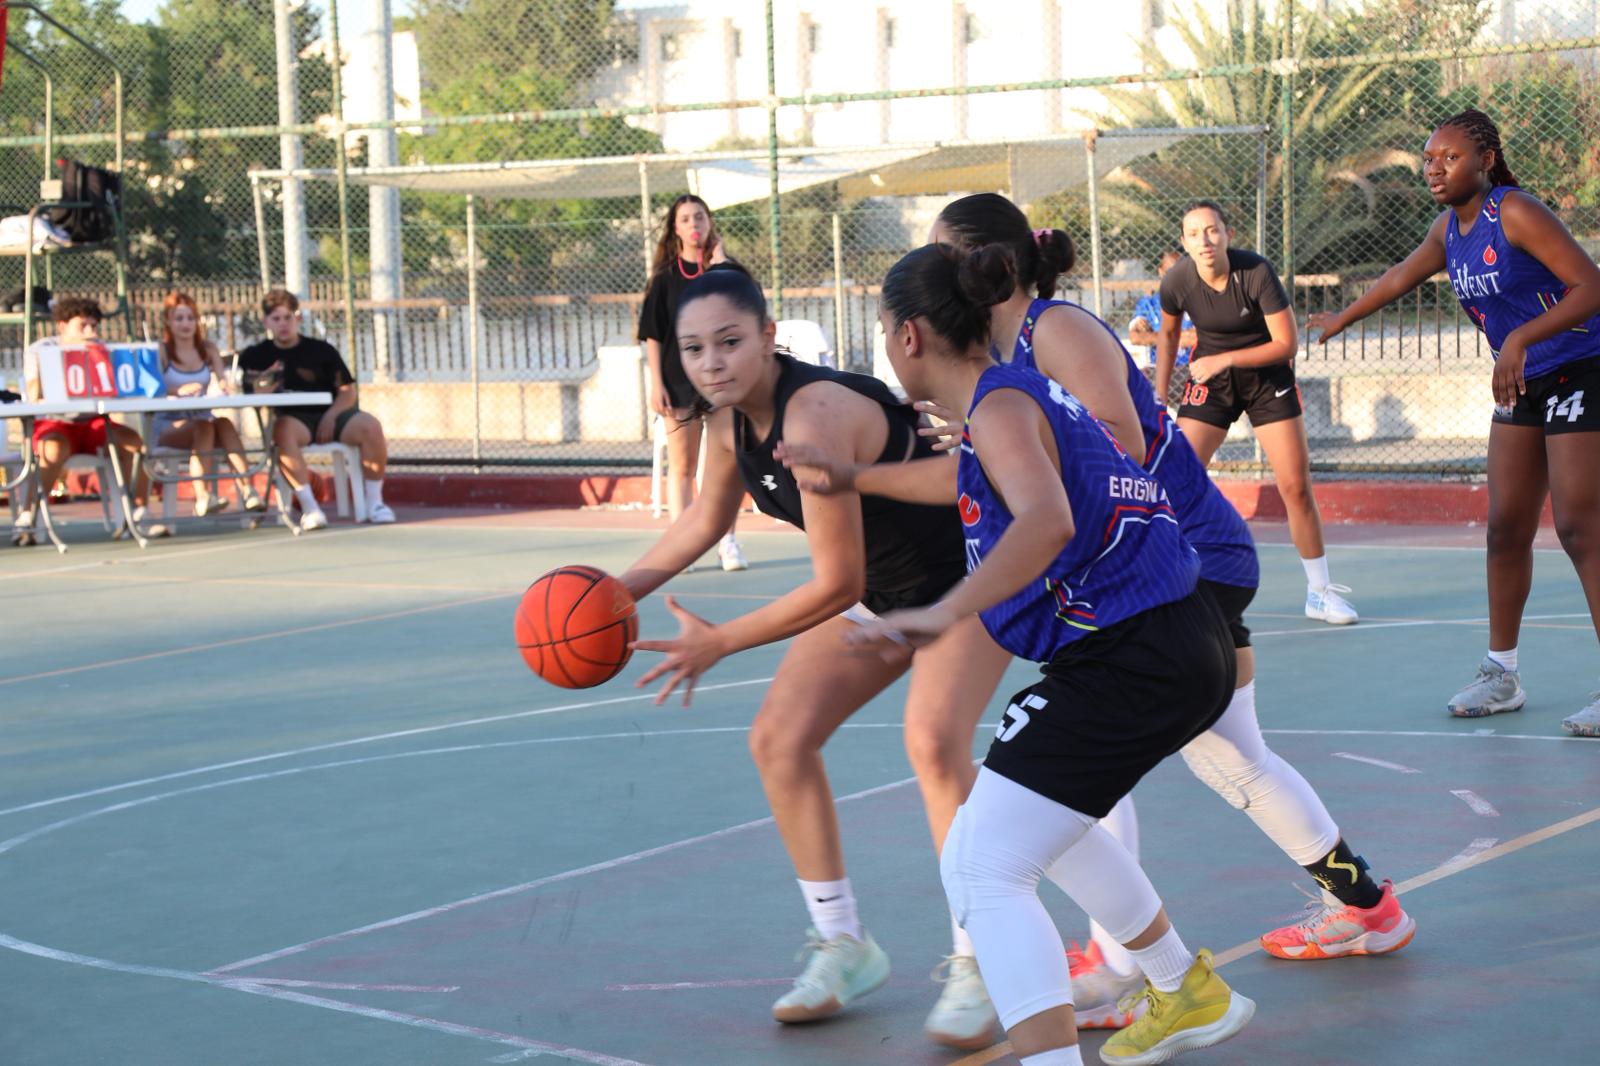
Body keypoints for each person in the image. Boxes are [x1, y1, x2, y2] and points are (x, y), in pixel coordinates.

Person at [787, 192, 1415, 1033]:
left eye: (944, 254)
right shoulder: (999, 375)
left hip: (1172, 558)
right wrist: (870, 474)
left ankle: (1128, 970)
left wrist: (1013, 439)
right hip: (1151, 569)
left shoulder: (1048, 333)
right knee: (1224, 758)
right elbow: (1016, 472)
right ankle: (1355, 908)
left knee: (1089, 760)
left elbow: (1115, 445)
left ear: (982, 265)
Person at [841, 242, 1255, 1066]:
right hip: (1169, 636)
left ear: (909, 336)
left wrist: (945, 610)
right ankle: (1182, 986)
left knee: (981, 867)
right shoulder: (1010, 399)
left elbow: (1047, 520)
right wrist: (850, 475)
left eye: (884, 330)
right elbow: (982, 481)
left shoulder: (999, 408)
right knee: (1037, 820)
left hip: (1134, 655)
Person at [620, 267, 1015, 1047]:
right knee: (779, 739)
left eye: (729, 342)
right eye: (694, 349)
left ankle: (983, 960)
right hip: (890, 593)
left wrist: (720, 640)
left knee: (934, 743)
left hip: (971, 580)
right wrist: (610, 593)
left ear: (769, 337)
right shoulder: (731, 422)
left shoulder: (814, 415)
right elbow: (705, 519)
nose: (712, 363)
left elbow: (838, 583)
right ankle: (843, 944)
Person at [1308, 109, 1600, 737]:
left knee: (1580, 527)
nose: (1434, 169)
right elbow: (1398, 277)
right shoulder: (1447, 230)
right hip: (1522, 380)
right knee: (1504, 528)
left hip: (1582, 365)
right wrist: (1341, 319)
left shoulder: (1515, 212)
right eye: (1428, 159)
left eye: (1449, 157)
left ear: (1486, 160)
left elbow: (1591, 287)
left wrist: (1519, 338)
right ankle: (1502, 673)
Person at [1154, 201, 1358, 625]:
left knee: (1295, 487)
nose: (1205, 240)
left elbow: (1286, 344)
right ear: (1184, 243)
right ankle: (1167, 582)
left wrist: (1225, 359)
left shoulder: (1256, 272)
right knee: (1174, 479)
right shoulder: (1177, 281)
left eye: (1212, 230)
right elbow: (1168, 337)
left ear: (1228, 235)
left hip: (1266, 379)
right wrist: (1158, 397)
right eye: (1194, 233)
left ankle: (1320, 593)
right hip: (1212, 383)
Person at [637, 194, 747, 571]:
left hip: (720, 381)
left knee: (725, 467)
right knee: (682, 466)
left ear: (709, 221)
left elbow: (742, 308)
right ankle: (682, 544)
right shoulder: (664, 278)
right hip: (677, 383)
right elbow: (653, 334)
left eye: (699, 217)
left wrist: (721, 264)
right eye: (685, 219)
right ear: (675, 228)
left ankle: (727, 541)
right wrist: (657, 383)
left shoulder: (725, 272)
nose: (693, 224)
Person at [13, 296, 166, 545]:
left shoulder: (102, 349)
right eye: (82, 326)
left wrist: (97, 358)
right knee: (53, 449)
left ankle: (138, 513)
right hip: (56, 423)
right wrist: (65, 359)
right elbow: (33, 394)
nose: (90, 332)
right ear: (63, 326)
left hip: (95, 423)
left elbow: (119, 390)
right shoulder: (41, 349)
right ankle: (29, 515)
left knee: (134, 444)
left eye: (93, 326)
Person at [237, 289, 395, 528]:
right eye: (276, 318)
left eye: (288, 317)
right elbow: (249, 392)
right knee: (282, 433)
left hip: (333, 416)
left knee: (371, 426)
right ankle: (311, 509)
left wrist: (331, 416)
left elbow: (347, 391)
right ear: (266, 322)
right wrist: (264, 389)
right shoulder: (256, 355)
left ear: (298, 318)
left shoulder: (322, 350)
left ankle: (375, 503)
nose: (283, 324)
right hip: (294, 420)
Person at [154, 291, 264, 516]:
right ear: (168, 321)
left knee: (223, 424)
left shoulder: (208, 349)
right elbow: (153, 388)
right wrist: (177, 391)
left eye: (190, 318)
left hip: (202, 419)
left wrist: (225, 387)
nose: (186, 324)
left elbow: (222, 380)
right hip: (169, 423)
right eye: (179, 318)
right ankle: (202, 496)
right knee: (204, 427)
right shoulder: (161, 351)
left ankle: (248, 490)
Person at [1127, 249, 1196, 407]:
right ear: (1161, 272)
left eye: (1181, 271)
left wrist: (1156, 336)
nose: (1176, 277)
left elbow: (1197, 338)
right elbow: (1136, 337)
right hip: (1158, 368)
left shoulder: (1198, 299)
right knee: (1133, 380)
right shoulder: (1149, 303)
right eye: (1170, 271)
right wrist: (1177, 337)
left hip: (1191, 368)